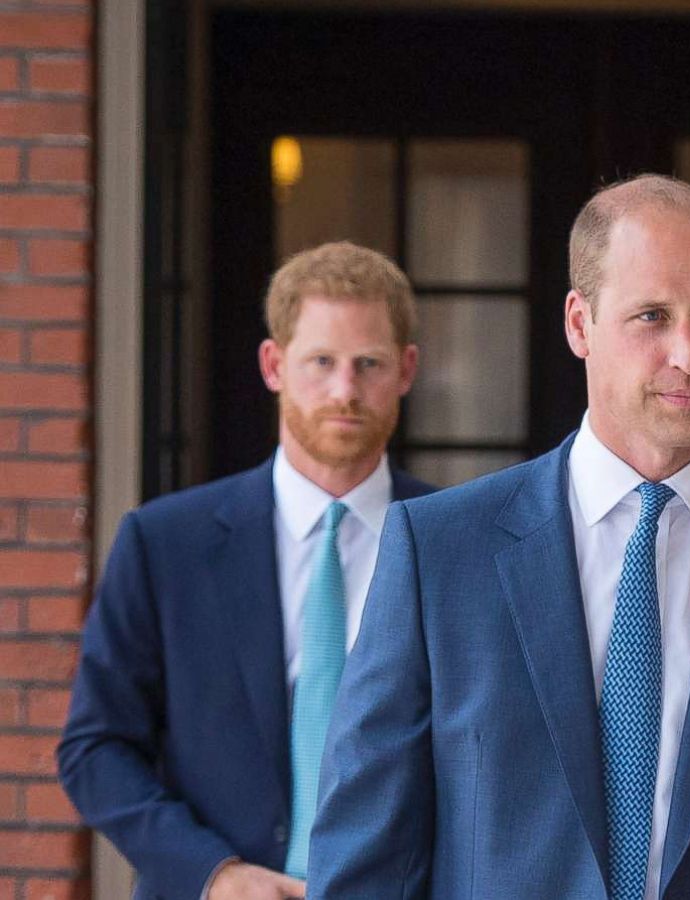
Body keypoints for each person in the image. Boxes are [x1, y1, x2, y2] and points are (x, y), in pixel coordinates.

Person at [307, 174, 690, 899]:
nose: (689, 354)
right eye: (652, 316)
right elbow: (365, 863)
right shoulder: (439, 553)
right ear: (579, 323)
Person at [56, 242, 434, 900]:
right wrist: (213, 874)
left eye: (368, 364)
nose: (345, 390)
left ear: (405, 370)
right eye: (320, 362)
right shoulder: (164, 544)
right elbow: (96, 748)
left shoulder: (456, 539)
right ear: (273, 365)